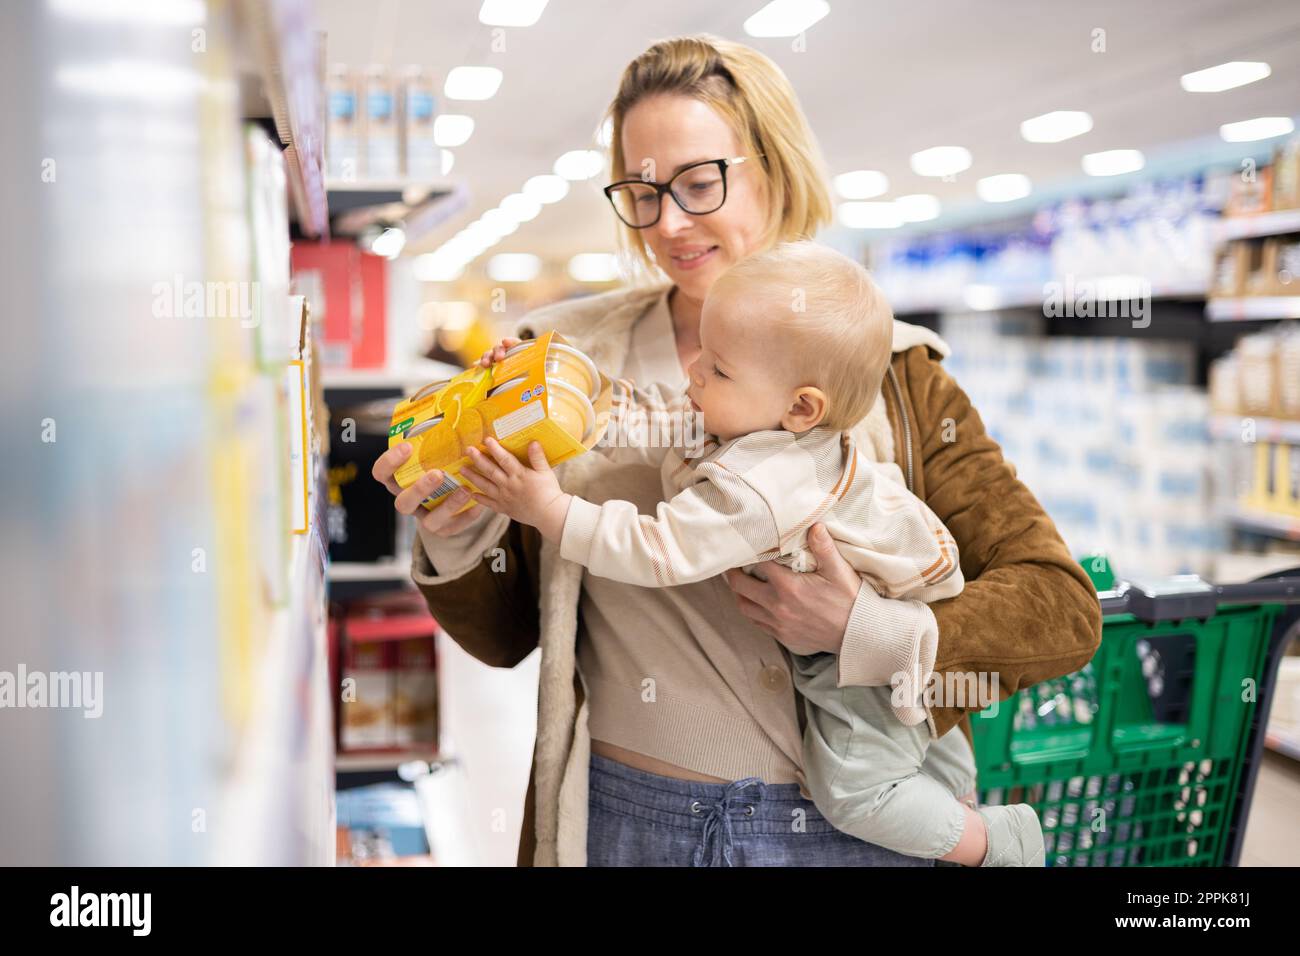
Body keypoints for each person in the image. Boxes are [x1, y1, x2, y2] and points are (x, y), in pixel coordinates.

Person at [372, 35, 1101, 867]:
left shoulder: (892, 371)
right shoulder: (565, 360)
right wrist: (461, 522)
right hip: (628, 821)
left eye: (698, 182)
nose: (669, 223)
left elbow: (1058, 608)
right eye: (641, 193)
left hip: (853, 831)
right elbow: (508, 637)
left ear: (774, 166)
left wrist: (870, 628)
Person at [459, 241, 1046, 867]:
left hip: (867, 679)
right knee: (938, 760)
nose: (695, 375)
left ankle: (1002, 844)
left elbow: (657, 549)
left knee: (857, 788)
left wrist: (550, 510)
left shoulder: (762, 486)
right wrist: (562, 388)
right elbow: (653, 414)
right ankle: (954, 794)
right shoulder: (754, 421)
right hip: (910, 638)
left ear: (801, 407)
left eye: (717, 369)